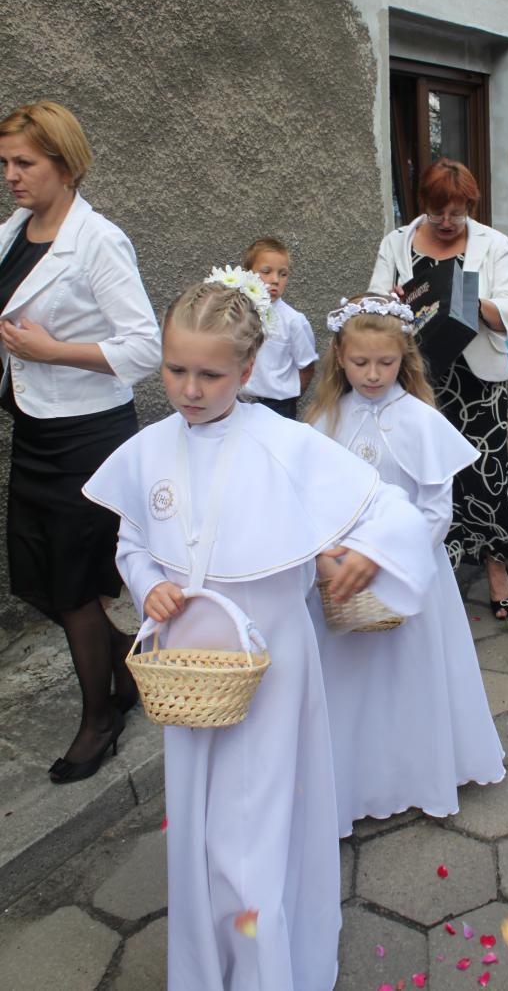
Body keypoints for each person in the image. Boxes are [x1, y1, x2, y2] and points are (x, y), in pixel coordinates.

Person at [83, 272, 435, 991]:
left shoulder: (285, 443)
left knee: (253, 830)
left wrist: (367, 554)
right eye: (175, 370)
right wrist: (149, 586)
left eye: (210, 375)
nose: (189, 389)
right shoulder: (150, 448)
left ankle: (265, 967)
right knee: (201, 821)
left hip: (272, 664)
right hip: (189, 666)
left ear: (247, 371)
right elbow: (133, 542)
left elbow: (387, 511)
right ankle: (209, 964)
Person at [0, 100, 161, 783]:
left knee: (71, 584)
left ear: (64, 166)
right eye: (5, 163)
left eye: (24, 163)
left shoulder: (98, 241)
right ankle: (123, 658)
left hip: (86, 437)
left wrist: (54, 351)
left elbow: (145, 347)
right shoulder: (12, 232)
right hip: (34, 430)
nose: (11, 175)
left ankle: (101, 719)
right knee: (35, 575)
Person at [306, 294, 505, 835]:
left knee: (409, 677)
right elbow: (313, 497)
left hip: (409, 570)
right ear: (339, 358)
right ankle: (355, 780)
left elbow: (437, 508)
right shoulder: (324, 420)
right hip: (341, 577)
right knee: (352, 682)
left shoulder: (420, 420)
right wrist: (329, 553)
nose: (373, 374)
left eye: (386, 362)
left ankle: (416, 773)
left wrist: (391, 557)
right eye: (360, 362)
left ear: (405, 359)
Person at [368, 157, 508, 619]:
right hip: (419, 379)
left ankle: (495, 563)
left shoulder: (493, 244)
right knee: (427, 475)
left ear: (470, 207)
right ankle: (437, 568)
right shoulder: (397, 242)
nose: (445, 221)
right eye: (437, 211)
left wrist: (471, 302)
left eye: (456, 213)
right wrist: (390, 304)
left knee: (486, 475)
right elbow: (373, 301)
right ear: (424, 204)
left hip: (476, 381)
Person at [241, 236, 317, 419]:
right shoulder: (238, 313)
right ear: (247, 273)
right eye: (266, 271)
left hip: (277, 407)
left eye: (283, 274)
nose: (275, 280)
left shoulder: (294, 321)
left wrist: (287, 398)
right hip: (238, 402)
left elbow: (307, 367)